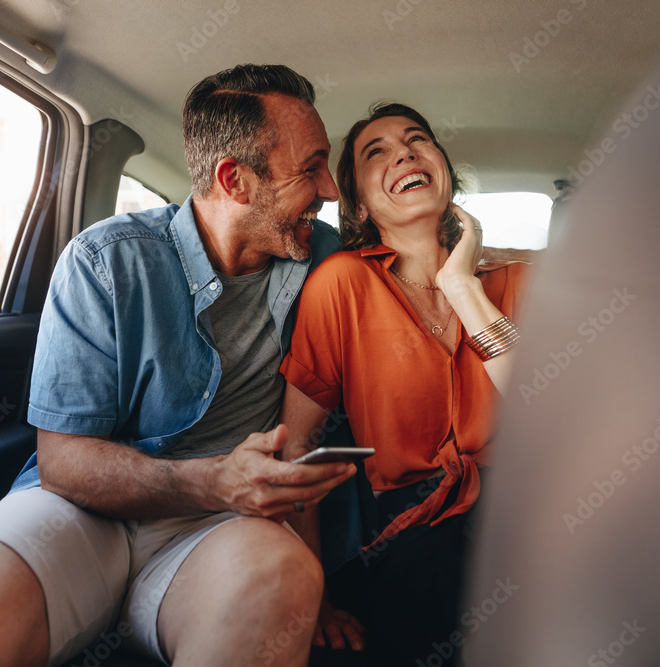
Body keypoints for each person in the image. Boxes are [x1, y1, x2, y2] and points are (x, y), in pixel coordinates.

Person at [0, 64, 358, 667]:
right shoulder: (104, 262)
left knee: (285, 580)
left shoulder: (325, 259)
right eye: (310, 169)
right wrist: (213, 478)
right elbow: (64, 464)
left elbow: (416, 269)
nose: (330, 191)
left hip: (219, 529)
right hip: (82, 512)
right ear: (235, 181)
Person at [279, 102, 532, 666]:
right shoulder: (341, 284)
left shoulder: (517, 278)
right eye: (378, 152)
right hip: (413, 529)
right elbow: (301, 450)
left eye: (418, 140)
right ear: (361, 206)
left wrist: (464, 288)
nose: (404, 153)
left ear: (443, 168)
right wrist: (311, 593)